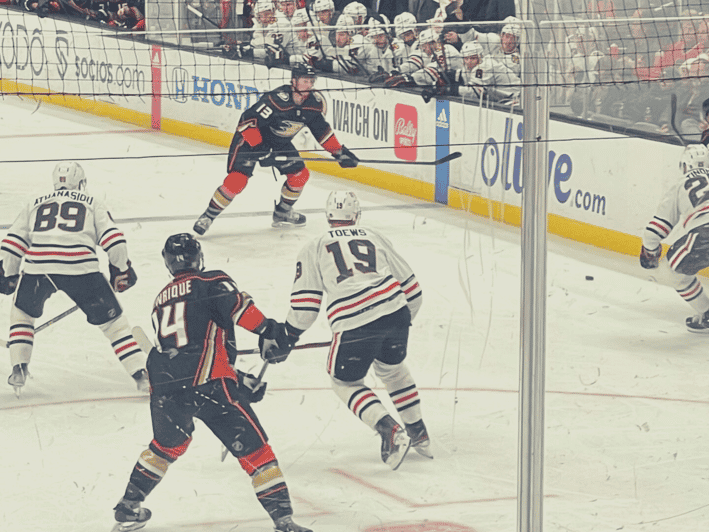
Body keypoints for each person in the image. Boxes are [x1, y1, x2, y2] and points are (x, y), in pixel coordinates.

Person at [110, 233, 311, 532]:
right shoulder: (210, 281)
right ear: (198, 258)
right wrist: (271, 332)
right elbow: (238, 309)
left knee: (165, 447)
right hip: (208, 383)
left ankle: (128, 506)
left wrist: (239, 380)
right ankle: (284, 521)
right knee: (258, 454)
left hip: (166, 385)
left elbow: (184, 350)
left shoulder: (160, 301)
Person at [271, 191, 431, 470]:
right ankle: (418, 432)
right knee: (393, 369)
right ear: (356, 216)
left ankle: (390, 430)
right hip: (396, 312)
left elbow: (306, 308)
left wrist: (288, 337)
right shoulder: (374, 235)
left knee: (345, 382)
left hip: (354, 323)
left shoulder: (314, 246)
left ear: (328, 216)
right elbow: (412, 289)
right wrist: (398, 322)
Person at [0, 162, 147, 396]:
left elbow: (11, 244)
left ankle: (18, 367)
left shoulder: (35, 203)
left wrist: (9, 275)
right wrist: (120, 270)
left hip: (39, 268)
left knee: (22, 315)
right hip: (82, 269)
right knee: (114, 326)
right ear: (81, 182)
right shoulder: (93, 203)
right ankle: (141, 375)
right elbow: (115, 241)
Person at [192, 64, 359, 234]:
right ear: (294, 81)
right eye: (304, 80)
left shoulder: (314, 103)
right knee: (237, 180)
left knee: (300, 175)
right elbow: (247, 122)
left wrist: (339, 152)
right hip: (250, 140)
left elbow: (321, 131)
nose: (308, 85)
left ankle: (283, 212)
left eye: (311, 80)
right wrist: (259, 148)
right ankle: (208, 216)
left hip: (279, 142)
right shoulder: (276, 100)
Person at [640, 144, 709, 332]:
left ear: (685, 165)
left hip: (704, 233)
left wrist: (650, 252)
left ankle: (707, 314)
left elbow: (655, 230)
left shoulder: (680, 184)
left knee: (674, 273)